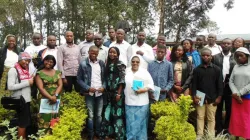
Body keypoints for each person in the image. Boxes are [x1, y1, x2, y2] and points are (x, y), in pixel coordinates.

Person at [192, 48, 223, 139]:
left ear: (211, 57)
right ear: (201, 56)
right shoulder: (197, 70)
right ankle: (199, 135)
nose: (205, 57)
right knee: (200, 116)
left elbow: (220, 84)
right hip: (200, 96)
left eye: (207, 55)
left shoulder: (217, 69)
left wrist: (219, 97)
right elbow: (194, 84)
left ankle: (210, 135)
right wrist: (194, 96)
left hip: (213, 97)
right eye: (203, 55)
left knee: (211, 118)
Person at [77, 46, 106, 140]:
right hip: (89, 94)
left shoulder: (101, 63)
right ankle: (91, 134)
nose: (94, 54)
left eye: (96, 53)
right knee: (90, 115)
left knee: (99, 115)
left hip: (100, 94)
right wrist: (88, 88)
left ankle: (98, 133)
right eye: (92, 52)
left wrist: (104, 87)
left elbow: (105, 78)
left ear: (98, 53)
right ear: (88, 52)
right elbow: (79, 79)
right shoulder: (83, 64)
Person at [125, 55, 154, 140]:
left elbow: (151, 85)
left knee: (141, 124)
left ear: (140, 63)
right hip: (129, 102)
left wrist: (144, 90)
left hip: (142, 102)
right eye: (133, 61)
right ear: (131, 62)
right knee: (130, 124)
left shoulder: (144, 72)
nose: (135, 63)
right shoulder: (126, 71)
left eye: (137, 62)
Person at [100, 47, 126, 140]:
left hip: (117, 94)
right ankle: (108, 133)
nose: (112, 54)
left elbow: (122, 80)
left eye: (114, 53)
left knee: (117, 115)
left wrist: (119, 94)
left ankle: (119, 135)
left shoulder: (121, 64)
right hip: (108, 94)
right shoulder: (108, 64)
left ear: (118, 54)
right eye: (110, 52)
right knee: (107, 113)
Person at [212, 38, 236, 135]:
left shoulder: (235, 58)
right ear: (221, 45)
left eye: (228, 43)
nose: (226, 45)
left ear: (231, 45)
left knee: (229, 109)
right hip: (218, 86)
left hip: (230, 87)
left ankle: (227, 129)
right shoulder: (215, 57)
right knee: (218, 108)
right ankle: (219, 129)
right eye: (224, 43)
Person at [7, 52, 33, 139]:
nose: (27, 63)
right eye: (25, 60)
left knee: (25, 122)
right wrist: (27, 83)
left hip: (26, 99)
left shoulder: (24, 71)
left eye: (28, 61)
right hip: (20, 100)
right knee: (23, 122)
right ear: (19, 60)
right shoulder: (13, 70)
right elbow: (10, 87)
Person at [35, 55, 63, 133]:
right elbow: (40, 88)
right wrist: (50, 97)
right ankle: (44, 136)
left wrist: (55, 96)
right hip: (44, 98)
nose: (49, 63)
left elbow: (60, 85)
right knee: (44, 117)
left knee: (56, 117)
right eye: (47, 61)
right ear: (44, 61)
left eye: (51, 62)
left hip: (56, 98)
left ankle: (55, 136)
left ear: (54, 63)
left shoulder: (57, 72)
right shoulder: (39, 73)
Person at [229, 47, 250, 140]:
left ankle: (247, 136)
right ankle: (236, 136)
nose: (239, 58)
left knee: (246, 119)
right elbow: (231, 81)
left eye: (241, 56)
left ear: (247, 56)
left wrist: (239, 93)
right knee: (236, 119)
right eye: (237, 56)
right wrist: (235, 93)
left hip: (246, 98)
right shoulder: (235, 67)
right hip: (236, 98)